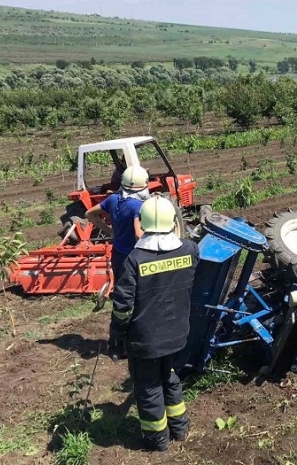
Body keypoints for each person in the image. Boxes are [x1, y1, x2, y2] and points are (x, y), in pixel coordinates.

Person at [109, 194, 199, 452]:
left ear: (143, 223)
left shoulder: (134, 261)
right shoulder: (190, 250)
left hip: (145, 339)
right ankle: (180, 430)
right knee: (170, 378)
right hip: (178, 333)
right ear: (173, 221)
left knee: (148, 388)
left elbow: (123, 307)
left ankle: (157, 441)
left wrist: (117, 336)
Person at [86, 165, 150, 283]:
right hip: (134, 256)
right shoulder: (139, 206)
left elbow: (89, 214)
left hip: (117, 255)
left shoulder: (113, 199)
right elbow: (138, 235)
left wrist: (109, 231)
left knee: (121, 289)